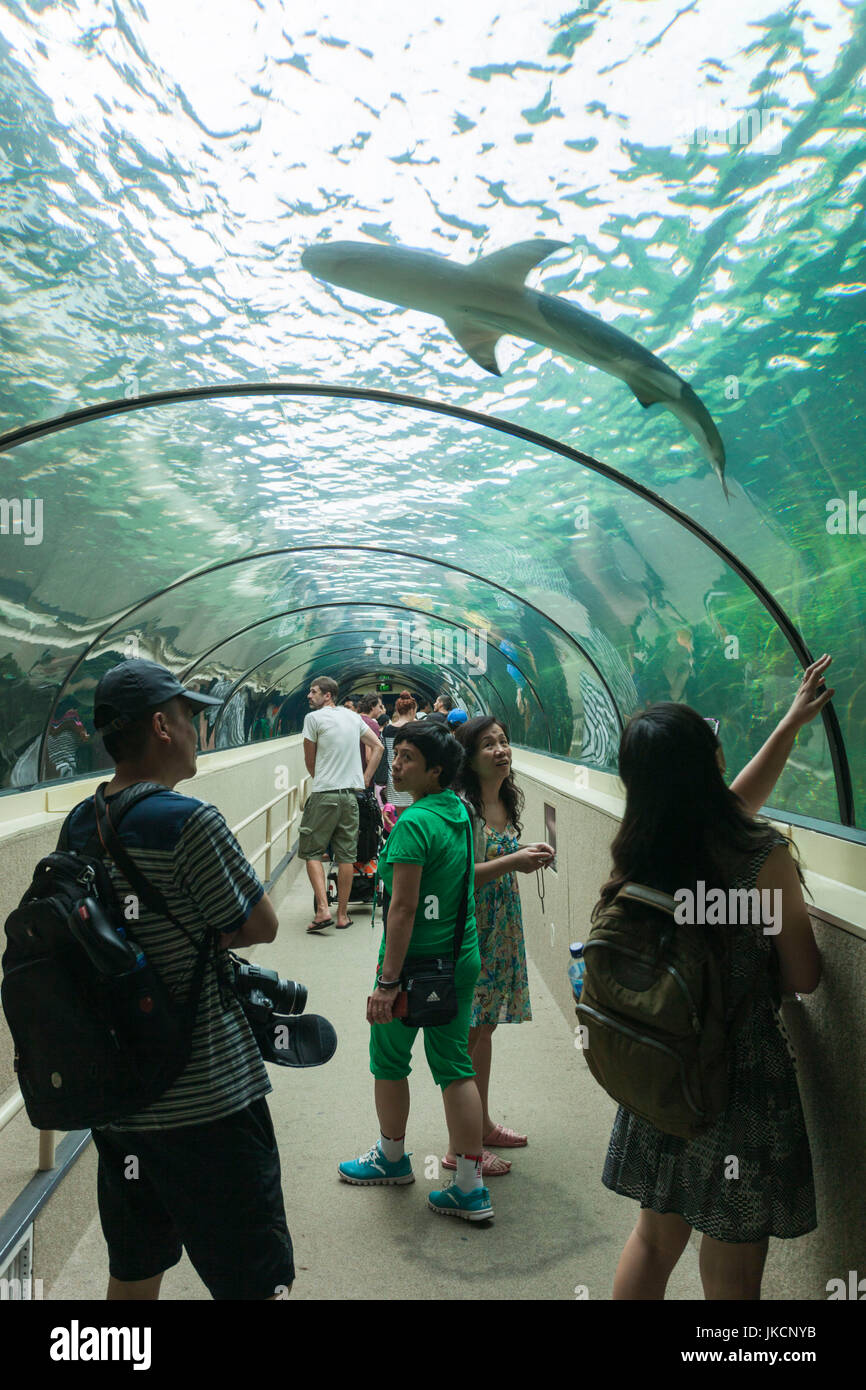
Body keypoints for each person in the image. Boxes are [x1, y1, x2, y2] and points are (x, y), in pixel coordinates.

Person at [61, 659, 294, 1301]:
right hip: (209, 1094)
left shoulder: (81, 823)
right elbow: (260, 924)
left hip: (123, 1096)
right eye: (191, 716)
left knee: (133, 1270)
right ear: (162, 725)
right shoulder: (188, 820)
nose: (199, 729)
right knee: (255, 1280)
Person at [601, 655, 833, 1300]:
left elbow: (725, 808)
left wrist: (788, 725)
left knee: (653, 1238)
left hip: (663, 1067)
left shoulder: (642, 845)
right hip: (740, 1079)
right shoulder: (762, 855)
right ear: (710, 760)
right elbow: (806, 976)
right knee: (732, 1255)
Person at [338, 722, 492, 1221]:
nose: (395, 765)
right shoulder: (461, 813)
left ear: (436, 770)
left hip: (414, 969)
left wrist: (387, 983)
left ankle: (390, 1157)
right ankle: (469, 1188)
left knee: (389, 1059)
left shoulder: (413, 824)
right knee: (454, 1067)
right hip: (459, 957)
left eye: (406, 757)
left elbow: (402, 911)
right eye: (396, 754)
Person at [447, 716, 554, 1177]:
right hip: (474, 929)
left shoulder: (504, 801)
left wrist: (521, 850)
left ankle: (482, 1123)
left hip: (501, 929)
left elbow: (498, 859)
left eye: (504, 742)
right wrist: (515, 860)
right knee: (469, 1034)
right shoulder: (464, 809)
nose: (500, 750)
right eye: (488, 744)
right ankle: (459, 1146)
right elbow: (459, 876)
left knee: (484, 1029)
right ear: (469, 758)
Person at [301, 676, 383, 932]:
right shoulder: (353, 717)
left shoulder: (312, 719)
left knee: (313, 852)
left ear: (328, 695)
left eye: (313, 692)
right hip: (351, 796)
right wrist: (365, 778)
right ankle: (342, 915)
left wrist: (322, 780)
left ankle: (323, 910)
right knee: (347, 855)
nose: (308, 696)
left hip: (325, 793)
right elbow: (378, 747)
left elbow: (310, 759)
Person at [380, 691, 417, 822]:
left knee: (401, 819)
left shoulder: (387, 730)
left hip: (394, 778)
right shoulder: (417, 729)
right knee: (416, 818)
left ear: (397, 709)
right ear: (412, 709)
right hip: (415, 779)